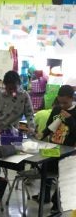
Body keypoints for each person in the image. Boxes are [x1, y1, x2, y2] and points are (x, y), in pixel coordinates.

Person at [37, 85, 76, 213]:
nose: (62, 105)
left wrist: (69, 119)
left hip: (69, 151)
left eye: (65, 102)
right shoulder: (57, 109)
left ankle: (57, 203)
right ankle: (45, 196)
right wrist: (41, 134)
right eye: (60, 102)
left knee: (62, 177)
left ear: (72, 98)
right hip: (53, 146)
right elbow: (50, 127)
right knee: (46, 169)